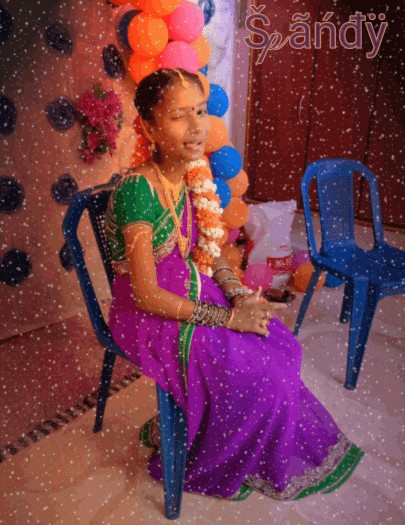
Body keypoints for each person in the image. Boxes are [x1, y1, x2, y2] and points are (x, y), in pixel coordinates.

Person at [105, 67, 364, 502]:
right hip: (147, 313)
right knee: (258, 369)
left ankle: (225, 431)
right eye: (178, 116)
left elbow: (204, 252)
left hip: (189, 287)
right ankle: (217, 450)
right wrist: (228, 318)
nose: (196, 127)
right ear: (149, 127)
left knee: (280, 344)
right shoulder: (138, 191)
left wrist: (239, 293)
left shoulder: (187, 173)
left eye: (200, 112)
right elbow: (145, 294)